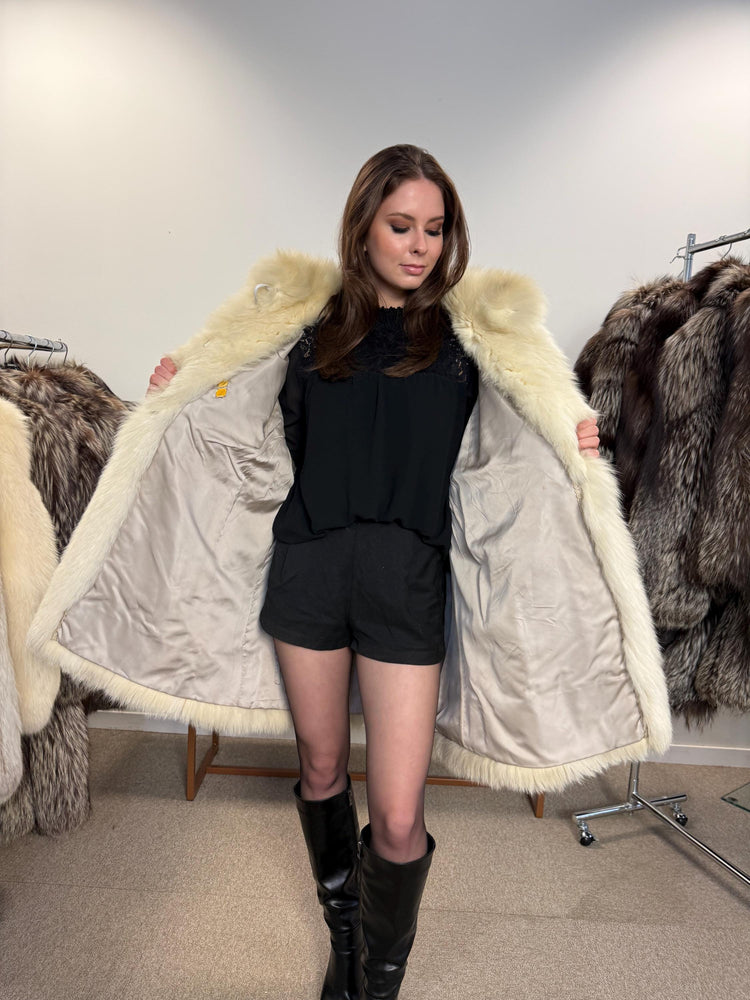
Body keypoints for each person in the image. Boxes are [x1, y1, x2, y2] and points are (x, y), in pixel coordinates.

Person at [147, 145, 600, 1000]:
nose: (420, 245)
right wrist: (186, 385)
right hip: (310, 573)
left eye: (435, 228)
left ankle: (379, 983)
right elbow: (237, 419)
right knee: (322, 772)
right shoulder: (306, 328)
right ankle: (346, 938)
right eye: (401, 226)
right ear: (363, 227)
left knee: (396, 816)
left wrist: (570, 432)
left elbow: (517, 441)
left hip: (408, 583)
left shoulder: (470, 339)